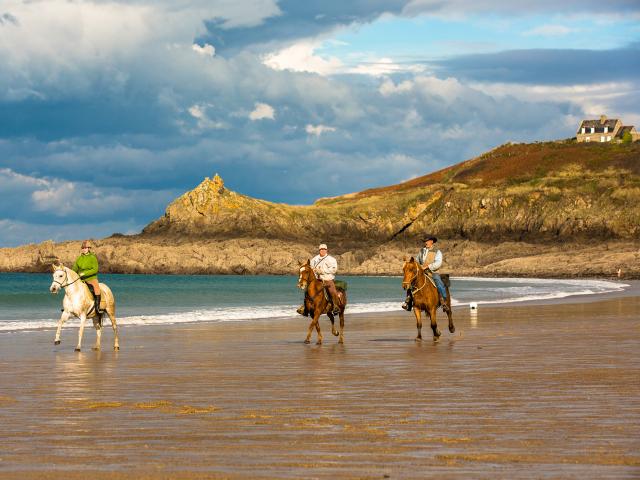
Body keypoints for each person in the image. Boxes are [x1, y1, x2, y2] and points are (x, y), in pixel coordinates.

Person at [402, 235, 448, 311]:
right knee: (411, 281)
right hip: (422, 272)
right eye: (424, 241)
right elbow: (416, 261)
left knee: (438, 282)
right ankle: (408, 301)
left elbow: (438, 263)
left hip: (433, 272)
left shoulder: (437, 251)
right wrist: (411, 263)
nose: (425, 242)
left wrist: (428, 266)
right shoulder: (422, 251)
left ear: (431, 241)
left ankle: (443, 301)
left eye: (426, 241)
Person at [297, 243, 343, 315]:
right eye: (321, 249)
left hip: (327, 279)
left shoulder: (331, 259)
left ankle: (335, 306)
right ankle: (305, 307)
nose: (323, 250)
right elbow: (310, 269)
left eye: (324, 249)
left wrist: (322, 271)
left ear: (327, 250)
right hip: (317, 279)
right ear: (319, 250)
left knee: (332, 290)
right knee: (307, 291)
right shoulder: (314, 259)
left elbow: (334, 270)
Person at [72, 239, 102, 322]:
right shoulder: (79, 258)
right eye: (83, 248)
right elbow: (75, 268)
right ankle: (70, 308)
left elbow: (95, 269)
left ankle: (97, 308)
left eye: (85, 248)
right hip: (81, 279)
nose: (84, 249)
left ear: (89, 248)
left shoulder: (93, 258)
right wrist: (72, 274)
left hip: (91, 278)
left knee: (96, 289)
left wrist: (84, 273)